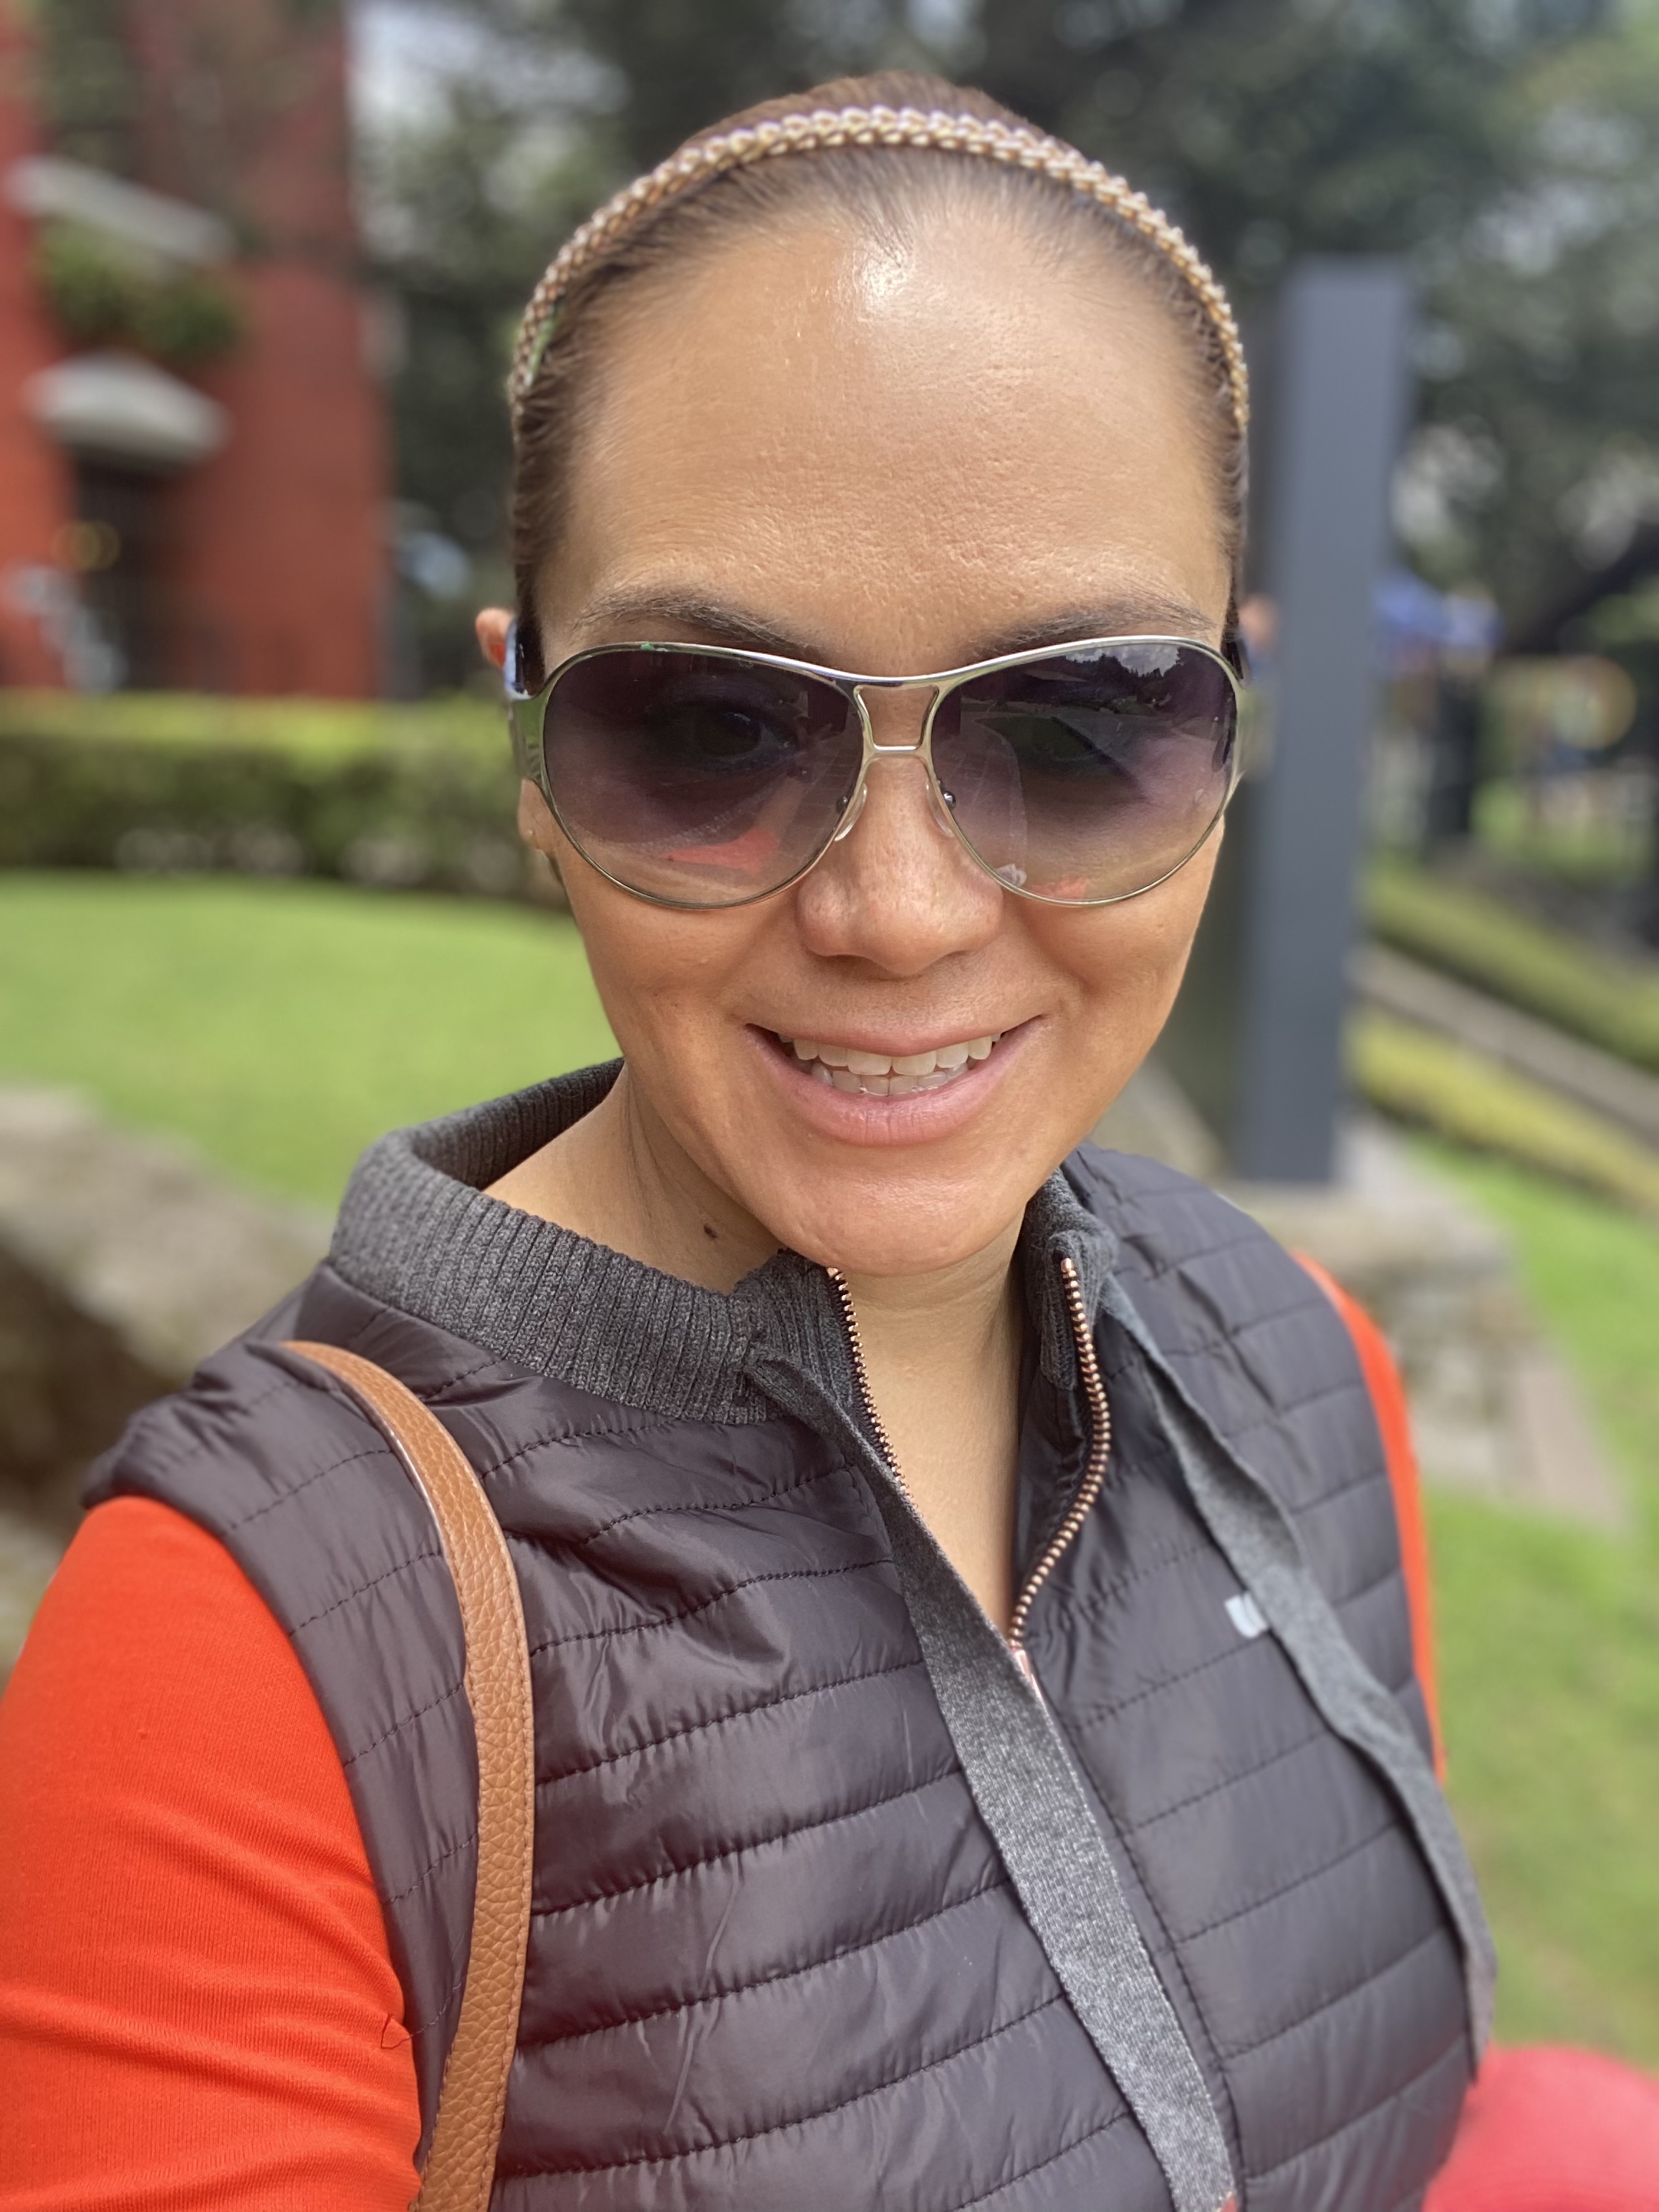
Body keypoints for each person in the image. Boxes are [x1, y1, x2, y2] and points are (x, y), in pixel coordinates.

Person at [2, 69, 1653, 2212]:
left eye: (1077, 725)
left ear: (1231, 727)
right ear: (526, 739)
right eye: (706, 727)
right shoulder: (247, 1660)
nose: (898, 913)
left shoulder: (1294, 1353)